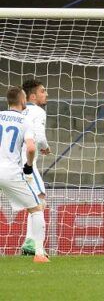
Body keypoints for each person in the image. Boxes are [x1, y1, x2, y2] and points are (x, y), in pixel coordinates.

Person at [0, 86, 49, 263]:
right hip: (10, 173)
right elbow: (31, 147)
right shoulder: (24, 120)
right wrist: (28, 166)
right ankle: (39, 254)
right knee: (36, 208)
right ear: (23, 101)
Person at [19, 79, 50, 256]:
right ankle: (32, 243)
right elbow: (38, 136)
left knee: (36, 200)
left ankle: (29, 241)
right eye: (42, 91)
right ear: (32, 96)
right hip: (27, 163)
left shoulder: (19, 111)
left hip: (10, 161)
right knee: (39, 199)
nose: (46, 94)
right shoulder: (38, 111)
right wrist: (45, 146)